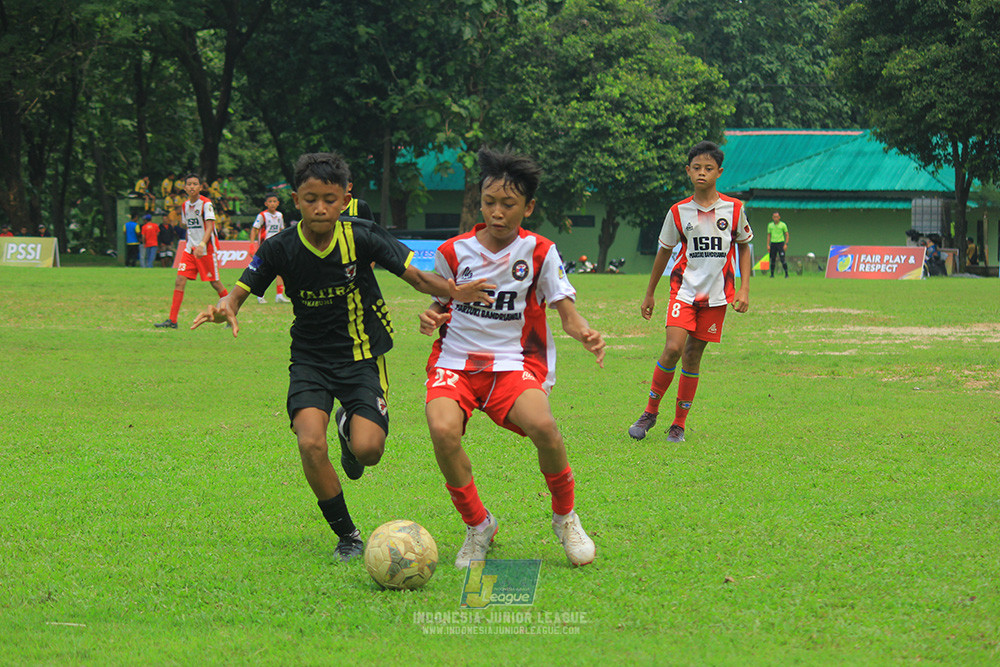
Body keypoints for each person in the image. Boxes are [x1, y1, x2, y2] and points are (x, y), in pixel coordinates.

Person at [190, 151, 494, 562]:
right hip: (310, 361)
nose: (320, 208)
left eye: (330, 199)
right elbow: (242, 288)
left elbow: (416, 275)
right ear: (296, 199)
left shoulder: (363, 234)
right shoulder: (279, 247)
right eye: (311, 198)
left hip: (362, 356)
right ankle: (348, 535)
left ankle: (349, 426)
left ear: (344, 198)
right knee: (310, 443)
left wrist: (455, 291)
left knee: (368, 451)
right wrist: (227, 305)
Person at [418, 147, 606, 569]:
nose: (497, 212)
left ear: (529, 206)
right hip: (455, 362)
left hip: (514, 363)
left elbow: (568, 315)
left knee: (543, 425)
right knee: (442, 430)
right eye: (489, 203)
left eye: (508, 204)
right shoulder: (452, 252)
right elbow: (438, 305)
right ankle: (478, 525)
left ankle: (566, 518)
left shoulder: (540, 252)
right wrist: (431, 317)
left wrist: (585, 334)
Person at [628, 140, 752, 443]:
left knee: (693, 357)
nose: (702, 173)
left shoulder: (734, 209)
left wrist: (745, 289)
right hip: (682, 292)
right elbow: (663, 252)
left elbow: (745, 246)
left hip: (717, 297)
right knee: (673, 348)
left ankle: (679, 424)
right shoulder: (678, 211)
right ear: (688, 171)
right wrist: (649, 293)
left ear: (719, 172)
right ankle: (650, 412)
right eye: (696, 168)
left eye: (708, 168)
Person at [154, 174, 228, 328]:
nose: (192, 187)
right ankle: (172, 321)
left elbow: (209, 228)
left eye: (195, 184)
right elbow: (187, 226)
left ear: (200, 187)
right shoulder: (185, 205)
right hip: (190, 250)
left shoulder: (206, 204)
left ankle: (230, 314)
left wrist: (201, 244)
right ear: (185, 187)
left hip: (205, 249)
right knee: (179, 280)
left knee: (215, 283)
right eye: (189, 184)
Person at [250, 193, 290, 303]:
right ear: (266, 203)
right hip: (264, 247)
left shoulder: (279, 215)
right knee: (262, 271)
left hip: (277, 247)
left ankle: (279, 295)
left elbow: (281, 230)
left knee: (280, 270)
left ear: (278, 203)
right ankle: (260, 296)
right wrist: (252, 245)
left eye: (274, 201)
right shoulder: (262, 215)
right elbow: (254, 229)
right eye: (270, 201)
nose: (272, 204)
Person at [767, 211, 789, 278]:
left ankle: (786, 274)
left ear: (779, 217)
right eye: (774, 217)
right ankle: (772, 274)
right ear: (772, 217)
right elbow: (769, 235)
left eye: (777, 217)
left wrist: (786, 244)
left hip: (780, 243)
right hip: (773, 243)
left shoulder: (783, 225)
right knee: (772, 259)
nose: (775, 218)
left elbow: (787, 235)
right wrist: (768, 245)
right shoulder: (770, 225)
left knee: (782, 259)